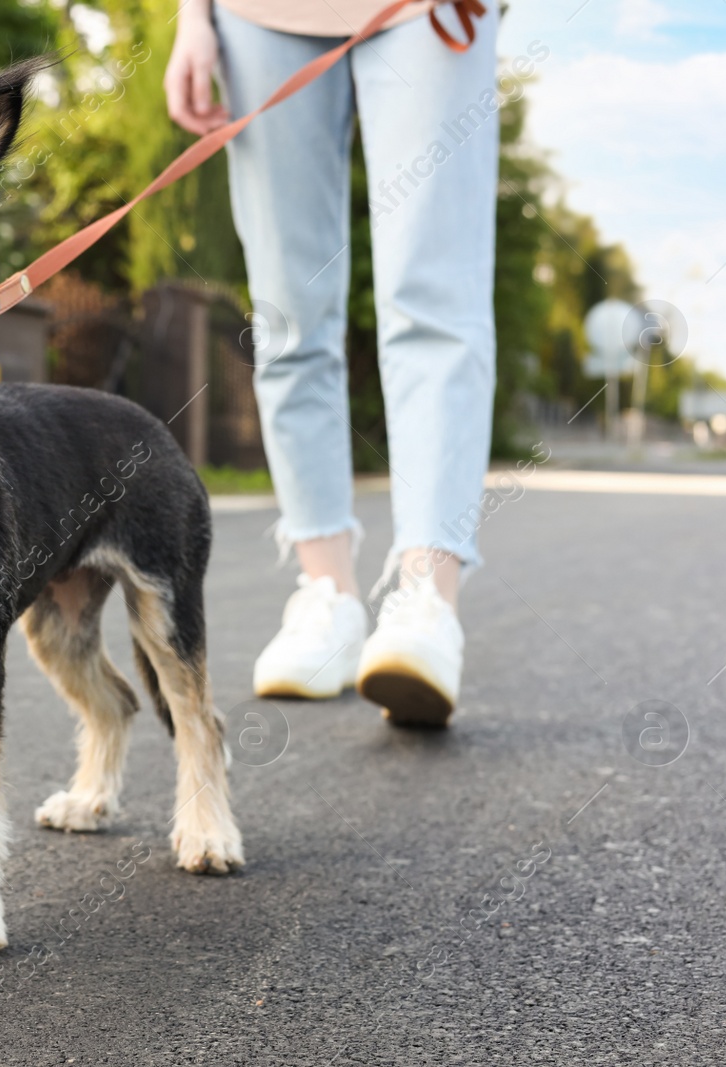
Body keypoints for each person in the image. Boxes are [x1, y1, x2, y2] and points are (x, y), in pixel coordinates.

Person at [165, 0, 498, 727]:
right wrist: (193, 16)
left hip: (425, 14)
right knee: (287, 315)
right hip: (257, 15)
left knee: (435, 296)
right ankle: (329, 596)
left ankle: (427, 599)